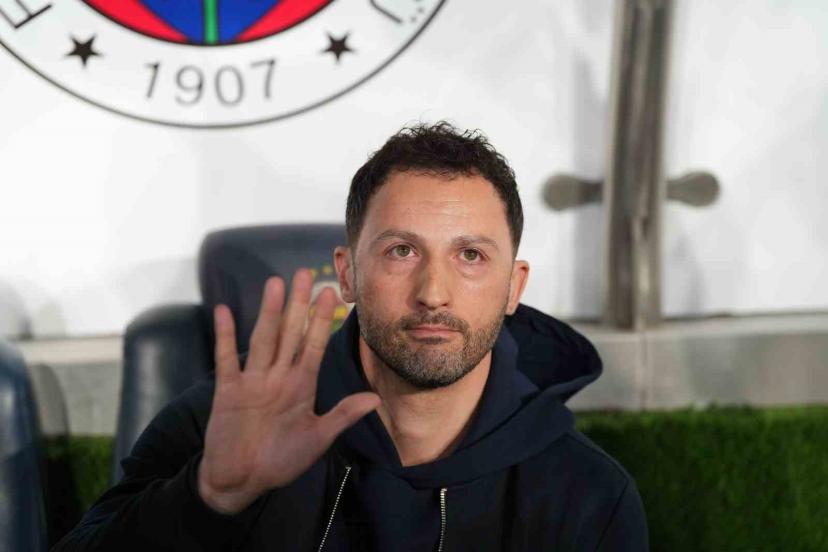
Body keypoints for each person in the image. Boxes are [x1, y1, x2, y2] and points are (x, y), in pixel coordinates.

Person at [53, 122, 648, 551]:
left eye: (470, 255)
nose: (433, 292)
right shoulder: (236, 422)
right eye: (401, 251)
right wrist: (206, 498)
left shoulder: (587, 495)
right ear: (347, 274)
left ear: (514, 286)